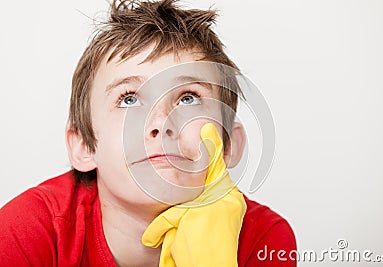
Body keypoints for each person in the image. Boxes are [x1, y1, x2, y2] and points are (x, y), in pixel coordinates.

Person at [0, 0, 296, 266]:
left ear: (229, 145)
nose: (161, 122)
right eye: (129, 99)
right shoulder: (27, 231)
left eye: (187, 98)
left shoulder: (264, 239)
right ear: (85, 147)